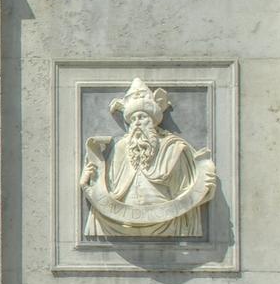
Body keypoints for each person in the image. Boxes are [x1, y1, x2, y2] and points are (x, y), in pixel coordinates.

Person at [80, 78, 216, 237]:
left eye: (142, 117)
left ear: (153, 121)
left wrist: (204, 189)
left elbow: (186, 190)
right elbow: (110, 186)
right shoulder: (121, 147)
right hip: (119, 220)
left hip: (169, 218)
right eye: (133, 119)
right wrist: (87, 184)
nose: (137, 123)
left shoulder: (174, 148)